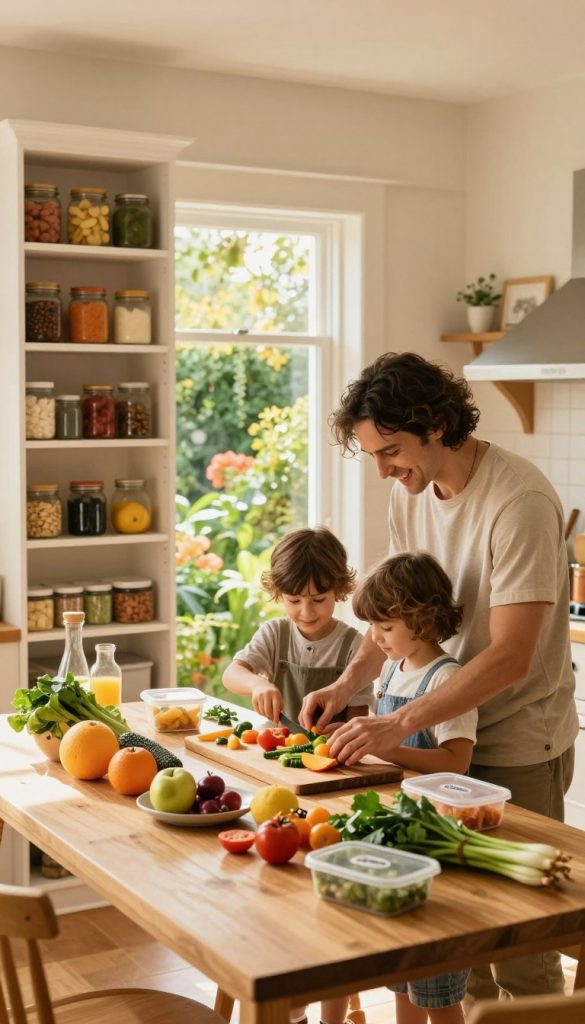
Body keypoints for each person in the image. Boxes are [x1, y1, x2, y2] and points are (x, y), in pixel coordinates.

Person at [299, 351, 578, 1004]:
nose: (383, 469)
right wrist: (345, 689)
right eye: (370, 455)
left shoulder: (519, 500)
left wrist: (396, 722)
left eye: (389, 449)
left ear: (432, 424)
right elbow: (393, 622)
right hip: (444, 740)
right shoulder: (411, 495)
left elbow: (510, 655)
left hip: (514, 741)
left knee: (520, 939)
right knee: (467, 934)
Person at [223, 526, 371, 1024]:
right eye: (294, 600)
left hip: (335, 777)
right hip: (279, 777)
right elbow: (232, 673)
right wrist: (258, 681)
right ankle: (293, 997)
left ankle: (333, 990)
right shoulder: (275, 634)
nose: (307, 613)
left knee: (322, 888)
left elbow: (363, 718)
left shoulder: (355, 646)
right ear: (277, 594)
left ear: (341, 591)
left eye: (319, 600)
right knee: (279, 887)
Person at [352, 550, 476, 1023]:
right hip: (399, 831)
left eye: (385, 627)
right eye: (372, 627)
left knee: (436, 983)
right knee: (400, 970)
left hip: (436, 841)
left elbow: (456, 762)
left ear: (423, 621)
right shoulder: (390, 670)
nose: (376, 638)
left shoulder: (448, 679)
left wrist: (387, 747)